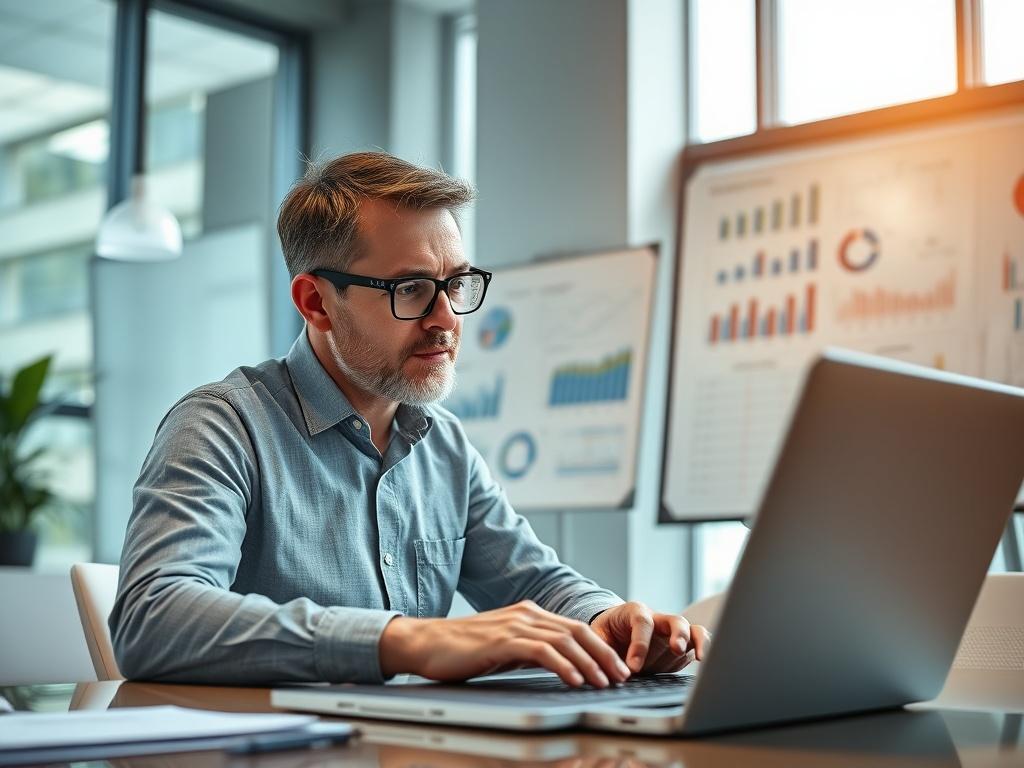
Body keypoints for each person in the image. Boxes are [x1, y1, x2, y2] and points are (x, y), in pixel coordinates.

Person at [109, 152, 709, 687]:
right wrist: (405, 640)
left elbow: (535, 582)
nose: (446, 318)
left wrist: (608, 619)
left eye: (457, 285)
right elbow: (152, 617)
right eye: (413, 288)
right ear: (315, 302)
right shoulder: (221, 426)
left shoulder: (440, 443)